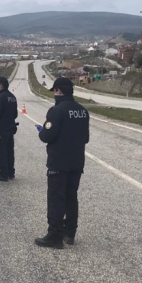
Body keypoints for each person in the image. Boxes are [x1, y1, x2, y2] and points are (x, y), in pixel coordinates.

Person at [35, 77, 90, 249]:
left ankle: (55, 235)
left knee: (56, 199)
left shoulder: (56, 111)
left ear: (58, 90)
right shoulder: (82, 111)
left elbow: (47, 136)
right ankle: (70, 233)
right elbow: (86, 138)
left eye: (54, 91)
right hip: (76, 162)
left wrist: (42, 131)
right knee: (71, 197)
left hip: (58, 162)